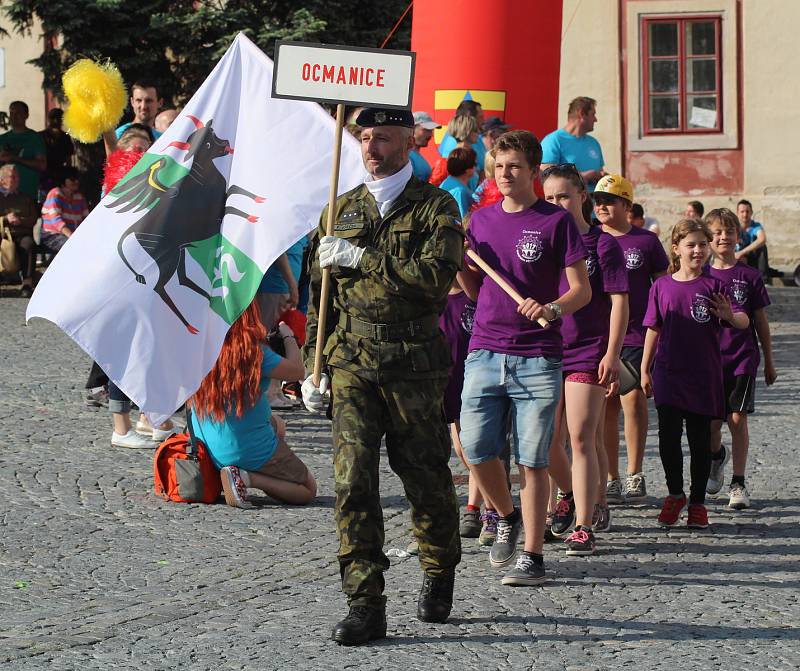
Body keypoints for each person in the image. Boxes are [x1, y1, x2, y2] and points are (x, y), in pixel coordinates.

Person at [301, 107, 463, 645]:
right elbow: (318, 301)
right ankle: (365, 601)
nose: (371, 148)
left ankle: (439, 569)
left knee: (425, 479)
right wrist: (312, 367)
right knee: (352, 482)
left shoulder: (436, 206)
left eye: (383, 138)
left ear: (408, 143)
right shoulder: (338, 209)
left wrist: (364, 257)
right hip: (351, 363)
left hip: (413, 366)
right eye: (365, 138)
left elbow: (434, 280)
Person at [457, 130, 590, 586]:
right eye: (498, 167)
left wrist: (552, 307)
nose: (505, 174)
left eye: (513, 167)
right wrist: (459, 260)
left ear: (534, 171)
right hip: (485, 350)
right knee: (475, 449)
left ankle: (532, 554)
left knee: (532, 459)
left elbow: (581, 290)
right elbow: (476, 289)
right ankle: (506, 516)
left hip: (537, 356)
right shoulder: (480, 221)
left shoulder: (556, 222)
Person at [542, 164, 629, 555]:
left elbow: (619, 302)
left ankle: (583, 523)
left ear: (582, 196)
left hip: (587, 350)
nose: (557, 203)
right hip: (544, 349)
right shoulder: (543, 240)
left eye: (563, 195)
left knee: (579, 436)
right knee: (545, 441)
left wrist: (612, 352)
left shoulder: (602, 243)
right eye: (549, 198)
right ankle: (561, 498)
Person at [641, 218, 748, 529]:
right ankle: (675, 495)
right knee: (668, 437)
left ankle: (698, 502)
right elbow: (653, 327)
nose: (699, 250)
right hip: (669, 373)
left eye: (703, 244)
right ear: (677, 248)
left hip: (704, 376)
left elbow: (741, 321)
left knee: (700, 440)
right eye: (691, 244)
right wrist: (646, 368)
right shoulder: (661, 286)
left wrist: (730, 315)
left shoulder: (715, 286)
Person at [190, 300, 316, 508]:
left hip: (207, 445)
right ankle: (246, 477)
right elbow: (297, 371)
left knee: (279, 425)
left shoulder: (198, 346)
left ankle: (240, 472)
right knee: (307, 489)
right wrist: (288, 335)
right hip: (240, 447)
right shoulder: (253, 353)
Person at [596, 175, 669, 504]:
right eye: (597, 200)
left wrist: (664, 327)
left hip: (638, 332)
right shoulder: (589, 240)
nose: (601, 206)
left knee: (634, 399)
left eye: (608, 200)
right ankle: (611, 475)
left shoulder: (646, 242)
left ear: (626, 205)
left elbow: (663, 287)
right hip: (601, 335)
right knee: (606, 406)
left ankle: (635, 472)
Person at [706, 208, 777, 510]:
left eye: (729, 231)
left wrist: (770, 360)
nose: (724, 237)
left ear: (738, 235)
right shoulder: (701, 276)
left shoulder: (749, 276)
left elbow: (760, 320)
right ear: (707, 238)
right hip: (708, 361)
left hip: (742, 358)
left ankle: (739, 482)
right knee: (711, 424)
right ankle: (716, 456)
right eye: (717, 232)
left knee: (737, 418)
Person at [541, 96, 605, 192]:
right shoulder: (553, 141)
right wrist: (582, 177)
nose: (596, 119)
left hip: (594, 205)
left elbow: (600, 172)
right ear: (582, 113)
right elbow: (545, 176)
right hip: (564, 206)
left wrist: (603, 177)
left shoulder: (594, 142)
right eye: (593, 114)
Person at [0, 165, 38, 296]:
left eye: (17, 177)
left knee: (28, 244)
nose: (16, 179)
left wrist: (21, 220)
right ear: (2, 180)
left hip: (21, 234)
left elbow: (33, 218)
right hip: (2, 235)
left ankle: (27, 283)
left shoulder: (25, 198)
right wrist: (5, 218)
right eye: (12, 176)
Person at [0, 101, 47, 201]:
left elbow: (42, 165)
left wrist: (15, 158)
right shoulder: (2, 139)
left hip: (27, 195)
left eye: (18, 113)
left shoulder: (34, 138)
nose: (14, 116)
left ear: (26, 115)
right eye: (11, 113)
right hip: (3, 197)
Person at [39, 167, 90, 254]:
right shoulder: (55, 194)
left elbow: (87, 219)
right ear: (63, 181)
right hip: (52, 235)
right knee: (72, 247)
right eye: (72, 179)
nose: (76, 182)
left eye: (77, 179)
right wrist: (72, 236)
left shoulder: (80, 197)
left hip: (72, 235)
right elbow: (56, 221)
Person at [430, 114, 479, 187]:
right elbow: (433, 188)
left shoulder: (470, 156)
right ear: (466, 131)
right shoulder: (448, 161)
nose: (478, 132)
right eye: (475, 130)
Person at [438, 99, 486, 171]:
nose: (483, 120)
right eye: (480, 117)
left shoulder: (476, 138)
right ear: (468, 119)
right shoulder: (455, 142)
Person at [39, 108, 75, 194]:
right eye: (53, 118)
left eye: (59, 118)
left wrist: (68, 175)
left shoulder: (65, 137)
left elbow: (68, 159)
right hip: (44, 174)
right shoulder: (40, 136)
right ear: (49, 119)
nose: (55, 121)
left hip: (60, 173)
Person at [735, 199, 769, 280]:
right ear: (737, 213)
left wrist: (742, 252)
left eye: (747, 211)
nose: (745, 214)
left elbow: (762, 239)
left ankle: (763, 279)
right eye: (742, 211)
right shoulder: (734, 227)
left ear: (751, 212)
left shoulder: (756, 226)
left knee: (762, 247)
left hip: (750, 257)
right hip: (736, 257)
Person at [439, 147, 477, 217]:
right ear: (467, 169)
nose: (476, 168)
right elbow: (462, 220)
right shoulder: (459, 191)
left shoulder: (449, 181)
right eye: (475, 164)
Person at [409, 111, 441, 182]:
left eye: (431, 130)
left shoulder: (414, 155)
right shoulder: (406, 156)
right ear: (412, 129)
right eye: (427, 130)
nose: (431, 135)